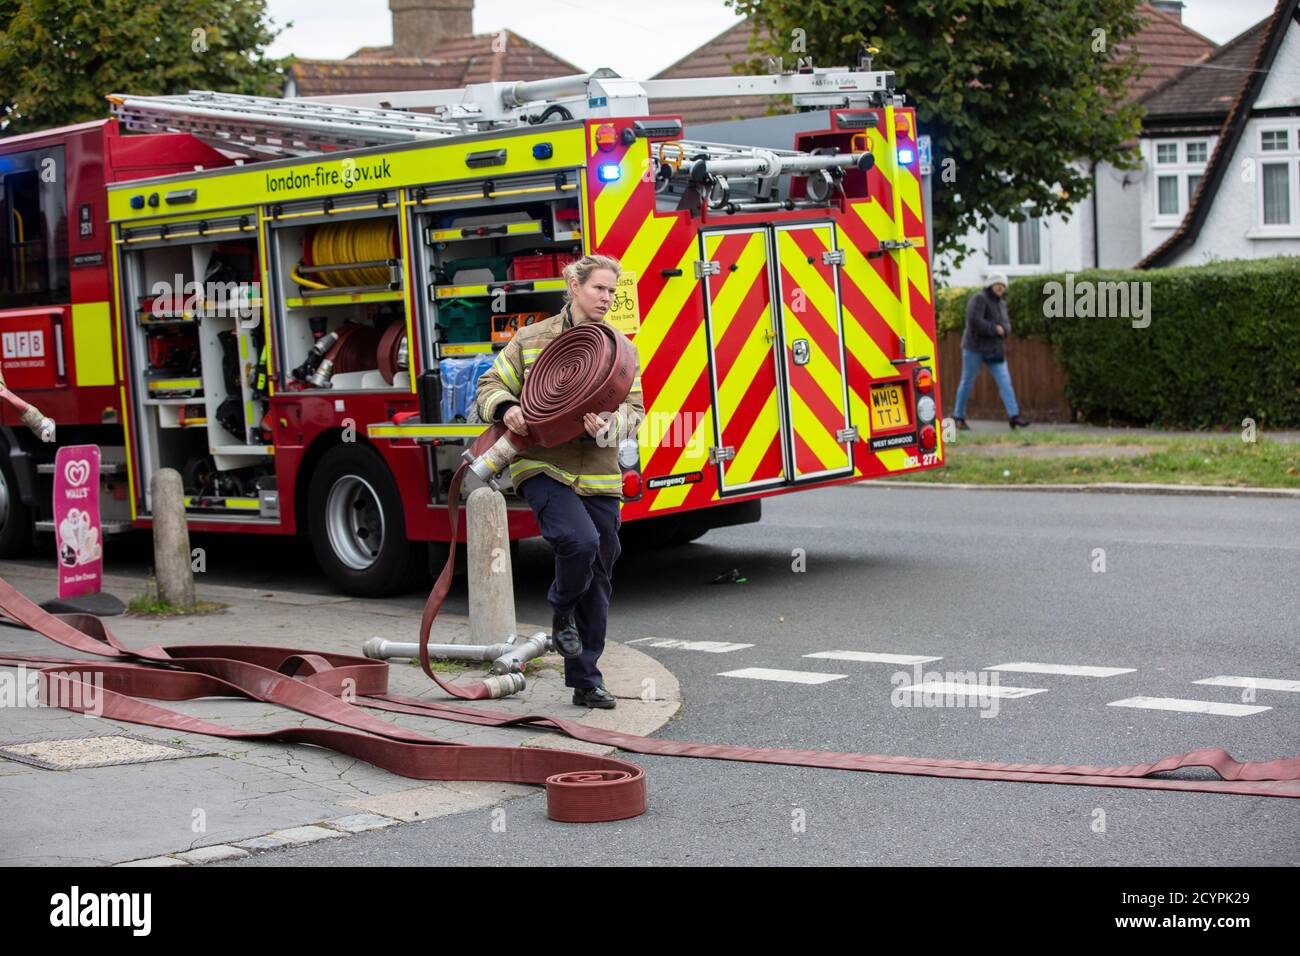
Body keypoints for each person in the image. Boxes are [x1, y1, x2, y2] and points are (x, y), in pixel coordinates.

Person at [474, 254, 644, 710]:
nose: (607, 298)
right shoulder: (531, 340)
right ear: (574, 284)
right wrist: (506, 406)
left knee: (600, 573)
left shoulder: (620, 347)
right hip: (542, 466)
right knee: (580, 543)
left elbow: (635, 414)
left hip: (600, 476)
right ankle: (561, 609)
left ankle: (586, 681)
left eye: (613, 291)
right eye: (599, 289)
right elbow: (488, 386)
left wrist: (608, 424)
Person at [952, 272, 1031, 430]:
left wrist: (1005, 330)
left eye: (1003, 285)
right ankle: (958, 417)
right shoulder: (979, 299)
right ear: (990, 285)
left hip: (994, 350)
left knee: (1005, 382)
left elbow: (1006, 325)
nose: (1001, 287)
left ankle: (1014, 417)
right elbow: (974, 321)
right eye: (998, 284)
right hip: (974, 348)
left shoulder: (1002, 304)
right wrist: (995, 329)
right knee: (967, 381)